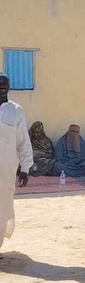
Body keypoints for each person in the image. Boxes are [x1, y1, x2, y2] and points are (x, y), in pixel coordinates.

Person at [0, 74, 33, 259]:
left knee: (2, 208)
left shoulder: (16, 111)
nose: (2, 88)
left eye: (5, 84)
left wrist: (25, 168)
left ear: (10, 87)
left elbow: (23, 142)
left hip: (5, 170)